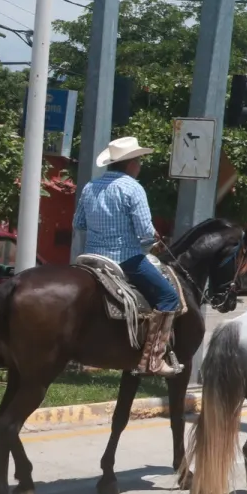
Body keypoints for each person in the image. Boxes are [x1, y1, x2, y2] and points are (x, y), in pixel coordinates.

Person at [72, 136, 181, 376]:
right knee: (169, 297)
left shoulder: (90, 186)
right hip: (125, 258)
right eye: (139, 160)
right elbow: (144, 231)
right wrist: (153, 240)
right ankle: (154, 360)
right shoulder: (133, 188)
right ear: (130, 163)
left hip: (90, 258)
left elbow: (79, 223)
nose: (140, 165)